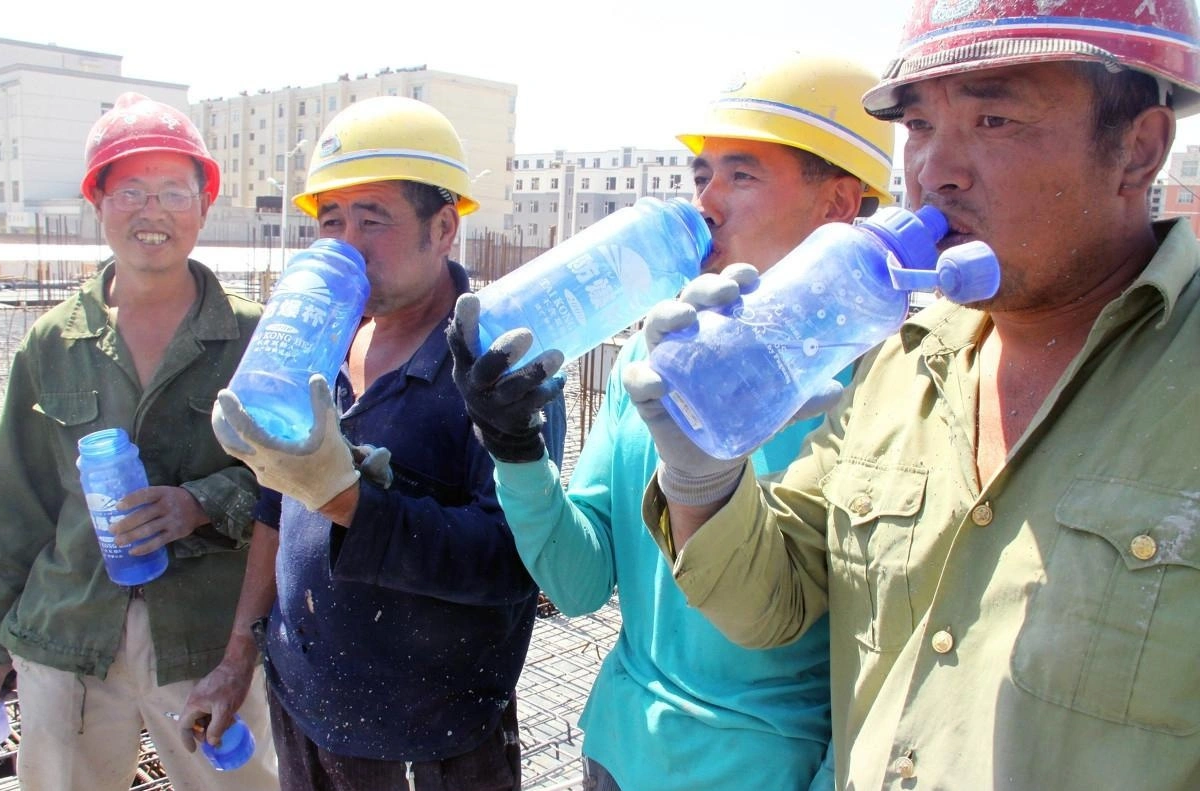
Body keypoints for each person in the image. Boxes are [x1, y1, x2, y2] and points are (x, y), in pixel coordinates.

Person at [623, 1, 1200, 788]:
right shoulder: (900, 359)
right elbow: (773, 604)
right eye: (921, 127)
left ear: (1139, 149)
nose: (935, 171)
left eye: (993, 119)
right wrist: (704, 477)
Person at [447, 57, 894, 791]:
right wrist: (516, 450)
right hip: (619, 754)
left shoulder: (884, 389)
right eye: (701, 174)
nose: (706, 200)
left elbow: (885, 664)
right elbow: (581, 579)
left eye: (741, 175)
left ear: (839, 204)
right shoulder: (659, 359)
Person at [206, 95, 565, 791]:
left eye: (373, 220)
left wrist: (348, 499)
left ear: (444, 227)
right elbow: (275, 506)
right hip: (307, 709)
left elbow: (514, 564)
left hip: (430, 741)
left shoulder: (496, 369)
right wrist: (234, 662)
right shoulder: (324, 337)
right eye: (332, 221)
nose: (346, 243)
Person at [0, 93, 278, 790]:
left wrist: (203, 502)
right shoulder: (54, 341)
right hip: (71, 633)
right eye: (130, 190)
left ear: (203, 206)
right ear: (99, 205)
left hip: (206, 639)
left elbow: (295, 480)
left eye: (173, 191)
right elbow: (15, 499)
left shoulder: (255, 337)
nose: (152, 211)